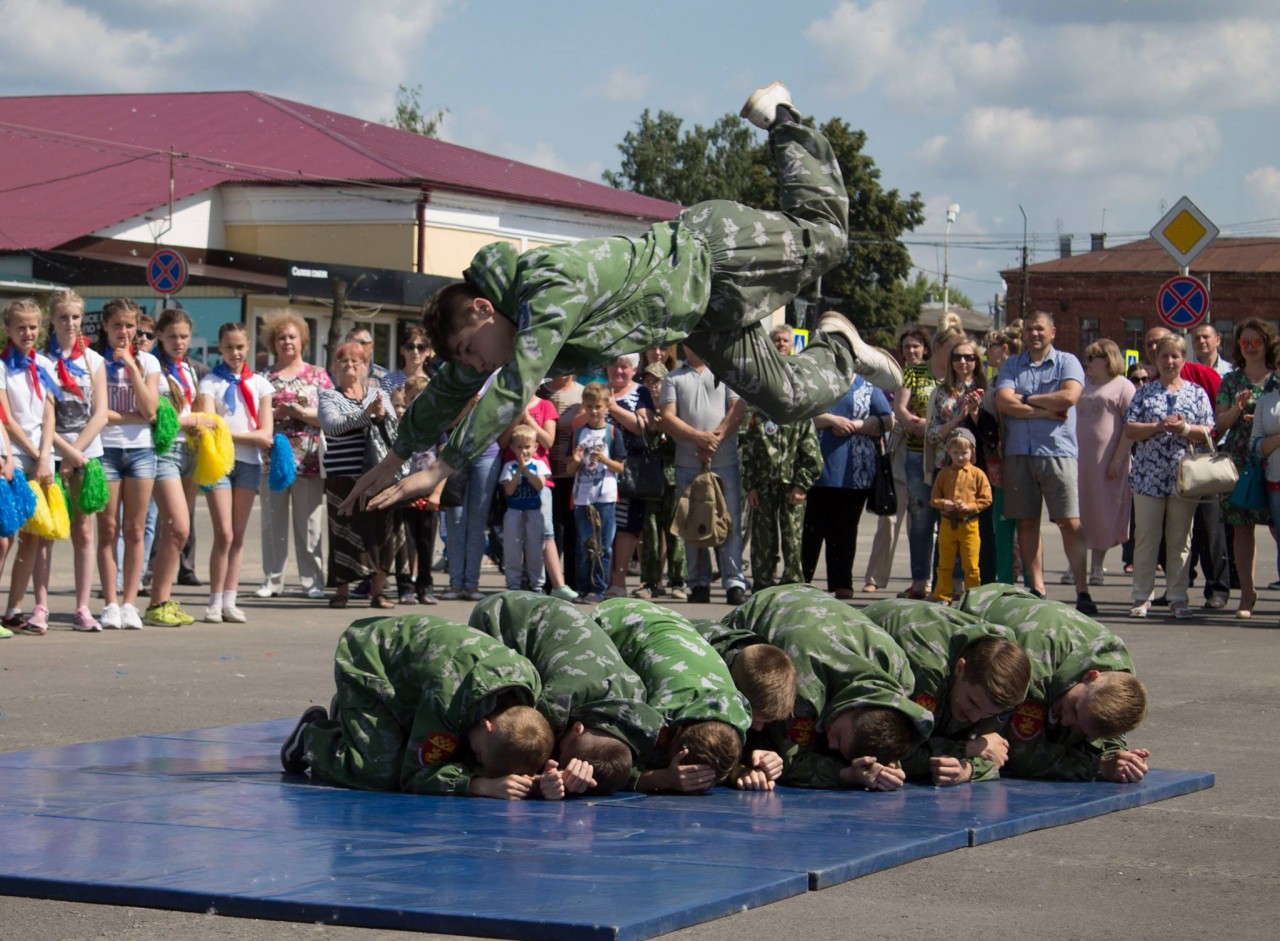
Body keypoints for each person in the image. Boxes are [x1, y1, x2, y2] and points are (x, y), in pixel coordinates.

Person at [346, 82, 902, 516]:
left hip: (717, 252)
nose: (476, 366)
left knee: (828, 238)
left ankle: (783, 120)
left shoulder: (546, 285)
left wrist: (442, 465)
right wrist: (398, 455)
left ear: (483, 309)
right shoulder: (501, 329)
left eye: (471, 349)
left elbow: (513, 381)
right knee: (784, 398)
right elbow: (453, 387)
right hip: (702, 315)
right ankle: (841, 347)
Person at [280, 615, 556, 799]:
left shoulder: (527, 685)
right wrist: (479, 784)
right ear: (488, 724)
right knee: (378, 772)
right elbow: (413, 776)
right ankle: (312, 738)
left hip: (411, 678)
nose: (478, 760)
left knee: (456, 753)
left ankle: (356, 720)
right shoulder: (449, 699)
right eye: (481, 755)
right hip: (366, 661)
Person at [715, 584, 933, 790]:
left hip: (813, 610)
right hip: (761, 611)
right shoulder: (806, 686)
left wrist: (886, 762)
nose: (830, 743)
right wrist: (844, 774)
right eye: (838, 736)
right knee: (755, 715)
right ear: (855, 706)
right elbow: (793, 762)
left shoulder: (898, 672)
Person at [467, 592, 665, 795]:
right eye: (562, 750)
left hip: (551, 613)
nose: (558, 752)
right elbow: (520, 746)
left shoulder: (636, 707)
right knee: (502, 718)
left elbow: (616, 762)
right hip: (502, 617)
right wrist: (545, 778)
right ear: (577, 728)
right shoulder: (563, 696)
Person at [959, 585, 1150, 783]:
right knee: (978, 722)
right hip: (979, 612)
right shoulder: (1035, 665)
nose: (1067, 720)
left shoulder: (1118, 674)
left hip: (1037, 623)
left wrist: (1117, 756)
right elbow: (1024, 757)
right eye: (1074, 710)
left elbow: (1103, 727)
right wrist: (1098, 766)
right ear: (1091, 676)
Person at [594, 597, 754, 792]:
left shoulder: (737, 712)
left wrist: (741, 769)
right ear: (676, 731)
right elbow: (608, 762)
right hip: (614, 621)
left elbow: (725, 757)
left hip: (666, 619)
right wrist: (657, 778)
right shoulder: (656, 717)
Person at [863, 598, 1030, 786]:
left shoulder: (1002, 684)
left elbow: (994, 753)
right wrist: (967, 749)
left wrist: (967, 770)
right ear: (960, 669)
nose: (975, 718)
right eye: (972, 703)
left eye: (988, 714)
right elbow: (894, 754)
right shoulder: (927, 672)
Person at [994, 311, 1096, 614]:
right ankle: (1037, 588)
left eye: (1039, 329)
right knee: (1026, 521)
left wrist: (1025, 399)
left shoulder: (1068, 362)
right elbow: (1003, 402)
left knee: (1069, 521)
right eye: (1029, 329)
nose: (1034, 334)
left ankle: (1082, 589)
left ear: (1053, 332)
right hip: (1018, 453)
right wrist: (1042, 408)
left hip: (1057, 451)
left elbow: (1068, 398)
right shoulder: (1012, 364)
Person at [1123, 333, 1215, 619]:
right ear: (1156, 359)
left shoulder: (1196, 392)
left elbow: (1208, 431)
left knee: (1180, 539)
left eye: (1175, 356)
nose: (1170, 361)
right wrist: (1159, 426)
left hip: (1184, 476)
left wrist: (1185, 429)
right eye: (1164, 356)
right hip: (1148, 475)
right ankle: (1142, 595)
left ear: (1183, 359)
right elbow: (1130, 429)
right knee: (1147, 537)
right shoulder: (1144, 392)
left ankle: (1177, 596)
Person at [1145, 325, 1228, 609]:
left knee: (1209, 528)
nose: (1166, 358)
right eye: (1154, 348)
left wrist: (1191, 432)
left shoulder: (1204, 377)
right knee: (1176, 534)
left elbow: (1218, 419)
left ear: (1182, 355)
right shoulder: (1153, 384)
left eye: (1170, 352)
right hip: (1165, 471)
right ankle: (1175, 589)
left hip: (1203, 463)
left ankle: (1217, 588)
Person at [197, 323, 274, 624]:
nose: (235, 353)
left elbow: (265, 434)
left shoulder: (261, 384)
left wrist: (229, 432)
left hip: (249, 464)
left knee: (238, 535)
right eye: (229, 347)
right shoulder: (210, 383)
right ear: (220, 347)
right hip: (219, 462)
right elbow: (207, 424)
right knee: (224, 533)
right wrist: (248, 436)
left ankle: (230, 599)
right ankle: (214, 601)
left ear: (248, 346)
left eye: (240, 347)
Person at [318, 341, 403, 610]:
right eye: (344, 360)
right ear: (334, 366)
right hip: (342, 476)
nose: (350, 365)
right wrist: (366, 416)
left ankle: (378, 592)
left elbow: (393, 429)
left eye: (357, 361)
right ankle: (341, 591)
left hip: (378, 475)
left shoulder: (379, 394)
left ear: (367, 366)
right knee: (343, 532)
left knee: (382, 533)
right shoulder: (328, 396)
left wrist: (377, 416)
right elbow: (332, 426)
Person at [660, 345, 747, 605]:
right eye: (688, 341)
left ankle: (734, 582)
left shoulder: (725, 372)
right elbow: (666, 416)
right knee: (693, 524)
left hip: (724, 463)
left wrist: (713, 442)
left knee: (729, 523)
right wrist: (699, 438)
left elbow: (737, 410)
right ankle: (698, 583)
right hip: (688, 464)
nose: (691, 346)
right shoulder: (673, 377)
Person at [256, 310, 332, 601]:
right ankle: (273, 580)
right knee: (272, 521)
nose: (287, 342)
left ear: (302, 340)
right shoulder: (264, 377)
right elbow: (255, 416)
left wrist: (298, 412)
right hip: (272, 459)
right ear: (272, 343)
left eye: (292, 336)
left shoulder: (317, 375)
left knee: (310, 524)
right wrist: (273, 414)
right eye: (281, 337)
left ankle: (312, 580)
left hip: (309, 459)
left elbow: (328, 415)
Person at [44, 291, 108, 631]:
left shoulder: (93, 361)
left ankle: (82, 607)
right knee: (45, 532)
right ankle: (40, 605)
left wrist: (75, 453)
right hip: (48, 454)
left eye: (75, 318)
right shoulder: (41, 360)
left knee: (83, 531)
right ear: (52, 320)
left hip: (85, 455)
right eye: (63, 317)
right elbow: (41, 417)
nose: (70, 324)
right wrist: (63, 453)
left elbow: (99, 415)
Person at [94, 299, 160, 630]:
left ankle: (130, 602)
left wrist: (132, 367)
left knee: (135, 528)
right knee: (108, 528)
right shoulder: (95, 362)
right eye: (118, 325)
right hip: (105, 449)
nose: (124, 332)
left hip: (141, 451)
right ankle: (109, 601)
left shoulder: (148, 362)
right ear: (106, 326)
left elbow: (150, 412)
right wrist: (125, 416)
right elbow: (98, 413)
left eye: (130, 326)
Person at [742, 325, 822, 593]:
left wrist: (802, 484)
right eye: (775, 339)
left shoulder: (798, 406)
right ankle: (762, 587)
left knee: (792, 540)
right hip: (763, 484)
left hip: (791, 485)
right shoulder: (759, 401)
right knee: (763, 540)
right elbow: (750, 448)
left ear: (792, 344)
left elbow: (810, 451)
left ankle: (793, 589)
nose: (780, 343)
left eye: (785, 340)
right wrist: (750, 485)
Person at [143, 309, 208, 627]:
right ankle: (156, 601)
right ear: (160, 336)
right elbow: (153, 413)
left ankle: (162, 600)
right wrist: (191, 420)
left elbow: (189, 407)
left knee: (177, 531)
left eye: (184, 337)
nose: (179, 342)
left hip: (190, 452)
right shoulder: (153, 365)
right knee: (178, 526)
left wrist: (198, 421)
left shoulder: (188, 368)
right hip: (165, 452)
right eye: (172, 337)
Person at [803, 374, 893, 599]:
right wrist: (833, 421)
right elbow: (800, 414)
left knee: (845, 529)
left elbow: (887, 419)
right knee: (812, 528)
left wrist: (858, 425)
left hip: (857, 470)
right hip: (816, 467)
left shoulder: (866, 384)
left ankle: (842, 582)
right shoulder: (818, 379)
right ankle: (802, 580)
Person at [0, 298, 59, 634]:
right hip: (15, 455)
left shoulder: (45, 365)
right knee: (6, 534)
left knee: (33, 537)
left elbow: (49, 413)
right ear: (8, 329)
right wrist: (35, 453)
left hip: (41, 456)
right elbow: (6, 419)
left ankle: (14, 608)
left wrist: (46, 454)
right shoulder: (2, 367)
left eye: (33, 326)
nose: (27, 332)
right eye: (20, 326)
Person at [1217, 319, 1278, 619]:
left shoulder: (1277, 379)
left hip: (1274, 461)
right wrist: (1237, 409)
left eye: (1257, 342)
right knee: (1242, 528)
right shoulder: (1231, 381)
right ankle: (1247, 594)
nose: (1251, 348)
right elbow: (1219, 425)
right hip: (1240, 461)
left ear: (1268, 344)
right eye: (1245, 343)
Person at [926, 335, 998, 582]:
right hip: (945, 467)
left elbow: (992, 436)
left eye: (969, 357)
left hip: (977, 470)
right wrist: (958, 419)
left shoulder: (987, 391)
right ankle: (943, 586)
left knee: (981, 528)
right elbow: (932, 433)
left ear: (977, 361)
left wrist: (976, 413)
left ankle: (982, 584)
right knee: (946, 527)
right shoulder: (941, 391)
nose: (963, 362)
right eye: (958, 357)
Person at [498, 391, 575, 601]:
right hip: (512, 476)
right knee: (515, 538)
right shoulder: (510, 404)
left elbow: (548, 441)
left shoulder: (545, 406)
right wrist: (516, 418)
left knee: (544, 533)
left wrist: (529, 418)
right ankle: (515, 583)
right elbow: (502, 442)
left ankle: (551, 584)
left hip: (540, 479)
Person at [1073, 338, 1133, 588]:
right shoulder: (1082, 385)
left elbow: (1131, 427)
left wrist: (1118, 459)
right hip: (1079, 459)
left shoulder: (1123, 386)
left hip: (1108, 461)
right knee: (1078, 511)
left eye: (1092, 358)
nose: (1087, 363)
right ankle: (1075, 565)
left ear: (1107, 360)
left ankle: (1097, 565)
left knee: (1103, 512)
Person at [594, 353, 653, 599]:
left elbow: (643, 426)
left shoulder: (641, 392)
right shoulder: (597, 389)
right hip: (596, 471)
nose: (619, 371)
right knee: (600, 523)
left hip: (629, 471)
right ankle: (600, 578)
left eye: (624, 367)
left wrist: (613, 408)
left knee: (626, 525)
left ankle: (618, 580)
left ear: (634, 369)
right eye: (614, 366)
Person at [566, 382, 626, 603]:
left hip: (605, 496)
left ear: (607, 406)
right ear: (584, 405)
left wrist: (604, 459)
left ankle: (599, 589)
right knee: (584, 544)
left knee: (603, 545)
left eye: (598, 406)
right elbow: (569, 468)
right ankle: (583, 588)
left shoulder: (613, 433)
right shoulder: (579, 433)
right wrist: (575, 460)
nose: (594, 411)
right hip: (582, 496)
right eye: (590, 406)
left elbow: (620, 467)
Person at [891, 326, 938, 599]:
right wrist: (916, 425)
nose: (911, 351)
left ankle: (948, 579)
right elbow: (901, 408)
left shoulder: (940, 370)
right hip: (916, 451)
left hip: (945, 452)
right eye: (907, 347)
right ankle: (920, 579)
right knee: (919, 518)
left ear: (926, 348)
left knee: (946, 517)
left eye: (916, 346)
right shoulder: (907, 373)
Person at [636, 361, 687, 600]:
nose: (653, 387)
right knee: (651, 533)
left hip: (674, 478)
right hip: (651, 481)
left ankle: (678, 580)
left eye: (657, 381)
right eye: (648, 382)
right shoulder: (643, 409)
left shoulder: (676, 409)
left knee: (676, 531)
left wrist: (667, 424)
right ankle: (650, 581)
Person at [929, 428, 992, 604]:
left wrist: (969, 506)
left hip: (969, 525)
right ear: (949, 452)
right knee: (944, 564)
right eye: (955, 453)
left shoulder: (977, 474)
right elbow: (933, 499)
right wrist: (944, 504)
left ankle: (973, 598)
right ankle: (943, 595)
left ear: (972, 451)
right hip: (947, 525)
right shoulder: (943, 474)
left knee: (971, 566)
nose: (960, 457)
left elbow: (986, 499)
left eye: (964, 452)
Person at [399, 376, 442, 604]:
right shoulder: (401, 425)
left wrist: (437, 493)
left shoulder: (437, 428)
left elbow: (444, 462)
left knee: (426, 542)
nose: (418, 403)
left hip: (428, 492)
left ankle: (425, 586)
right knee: (407, 542)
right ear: (406, 399)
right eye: (413, 398)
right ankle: (405, 586)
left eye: (423, 399)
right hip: (404, 491)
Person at [541, 373, 583, 595]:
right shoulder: (541, 391)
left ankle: (573, 583)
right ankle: (550, 583)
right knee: (551, 531)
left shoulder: (582, 393)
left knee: (572, 531)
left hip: (572, 473)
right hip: (544, 474)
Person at [498, 427, 551, 594]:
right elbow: (509, 490)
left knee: (535, 548)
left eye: (527, 447)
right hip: (514, 512)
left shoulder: (539, 465)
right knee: (512, 548)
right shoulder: (509, 466)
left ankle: (537, 584)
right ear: (513, 448)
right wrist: (519, 470)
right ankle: (513, 583)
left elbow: (539, 485)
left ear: (535, 447)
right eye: (519, 447)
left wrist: (526, 469)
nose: (524, 451)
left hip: (534, 512)